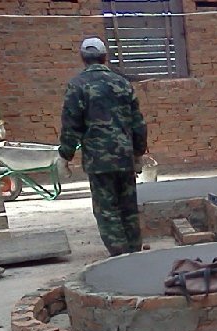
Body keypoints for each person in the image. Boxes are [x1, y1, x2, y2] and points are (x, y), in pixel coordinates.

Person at [57, 38, 148, 257]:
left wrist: (65, 156)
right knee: (128, 208)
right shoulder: (122, 83)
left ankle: (120, 257)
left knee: (107, 210)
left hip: (98, 161)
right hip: (124, 157)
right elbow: (138, 123)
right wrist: (138, 154)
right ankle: (135, 255)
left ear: (82, 58)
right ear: (105, 57)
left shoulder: (77, 85)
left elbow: (71, 124)